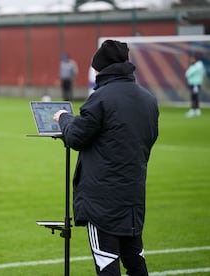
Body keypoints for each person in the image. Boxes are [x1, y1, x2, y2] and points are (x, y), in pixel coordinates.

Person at [54, 40, 159, 276]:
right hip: (133, 196)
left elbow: (77, 137)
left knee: (107, 265)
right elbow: (149, 138)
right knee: (134, 260)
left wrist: (63, 118)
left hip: (102, 202)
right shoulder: (148, 99)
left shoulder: (100, 98)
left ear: (100, 68)